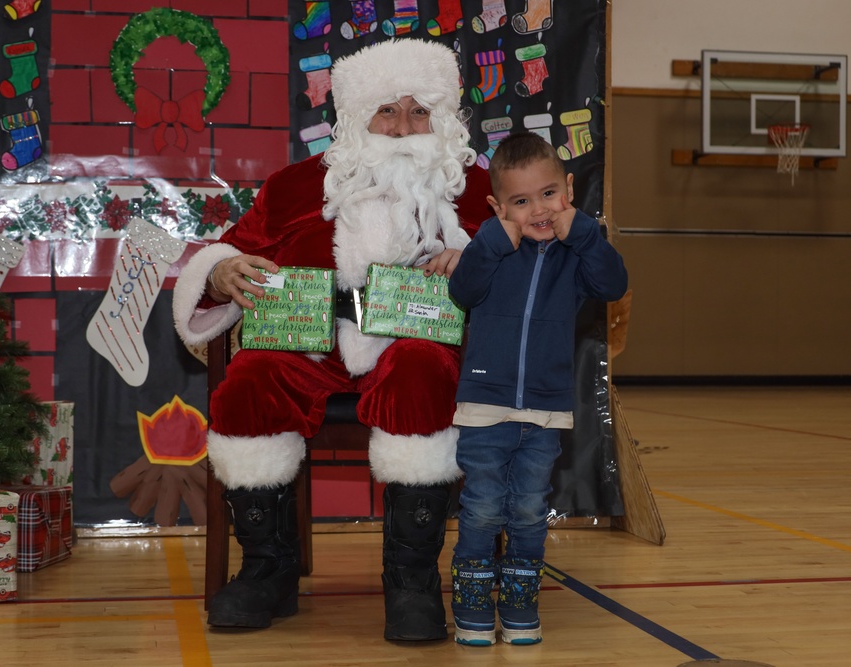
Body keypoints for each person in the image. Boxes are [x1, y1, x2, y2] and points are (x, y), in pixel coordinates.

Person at [172, 38, 492, 641]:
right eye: (386, 111)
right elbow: (230, 253)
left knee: (419, 372)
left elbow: (527, 273)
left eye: (418, 111)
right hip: (310, 345)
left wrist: (473, 263)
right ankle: (269, 570)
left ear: (444, 117)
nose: (402, 128)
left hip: (417, 345)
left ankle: (412, 580)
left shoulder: (474, 190)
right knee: (250, 378)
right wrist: (218, 272)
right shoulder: (296, 186)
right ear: (354, 117)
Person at [446, 132, 628, 646]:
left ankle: (521, 600)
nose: (538, 210)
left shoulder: (576, 253)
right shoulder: (491, 249)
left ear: (569, 190)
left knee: (528, 508)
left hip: (546, 409)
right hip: (483, 405)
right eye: (520, 202)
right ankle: (473, 602)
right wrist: (488, 242)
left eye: (548, 194)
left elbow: (613, 285)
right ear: (497, 207)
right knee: (482, 507)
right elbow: (463, 290)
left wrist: (588, 235)